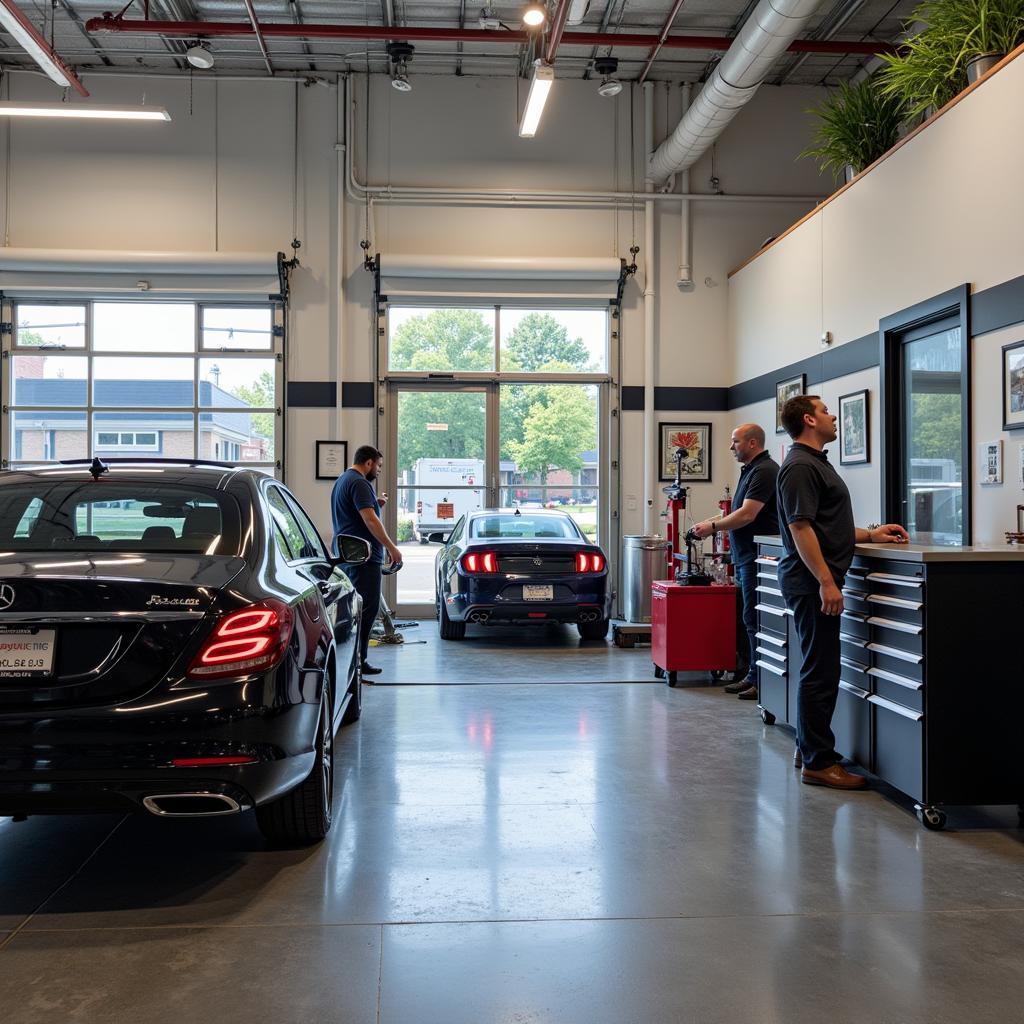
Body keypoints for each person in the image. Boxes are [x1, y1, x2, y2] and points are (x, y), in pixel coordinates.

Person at [777, 395, 908, 789]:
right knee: (821, 670)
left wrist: (871, 534)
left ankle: (808, 746)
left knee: (819, 666)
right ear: (808, 419)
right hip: (810, 582)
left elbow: (823, 527)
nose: (833, 416)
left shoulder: (814, 462)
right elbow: (801, 529)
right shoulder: (800, 465)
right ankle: (818, 761)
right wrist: (826, 581)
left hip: (814, 579)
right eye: (826, 411)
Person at [692, 423, 779, 702]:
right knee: (748, 618)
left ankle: (760, 679)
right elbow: (738, 510)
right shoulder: (751, 471)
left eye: (735, 441)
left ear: (753, 443)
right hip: (745, 558)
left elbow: (747, 515)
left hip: (757, 558)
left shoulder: (765, 471)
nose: (731, 447)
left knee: (755, 619)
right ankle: (753, 674)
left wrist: (714, 527)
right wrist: (711, 521)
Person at [331, 444, 403, 677]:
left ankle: (354, 662)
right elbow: (370, 521)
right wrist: (392, 548)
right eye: (378, 466)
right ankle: (358, 663)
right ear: (369, 462)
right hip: (363, 558)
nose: (379, 471)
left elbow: (358, 514)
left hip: (347, 555)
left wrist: (376, 504)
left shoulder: (343, 480)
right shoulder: (360, 483)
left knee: (355, 610)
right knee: (367, 610)